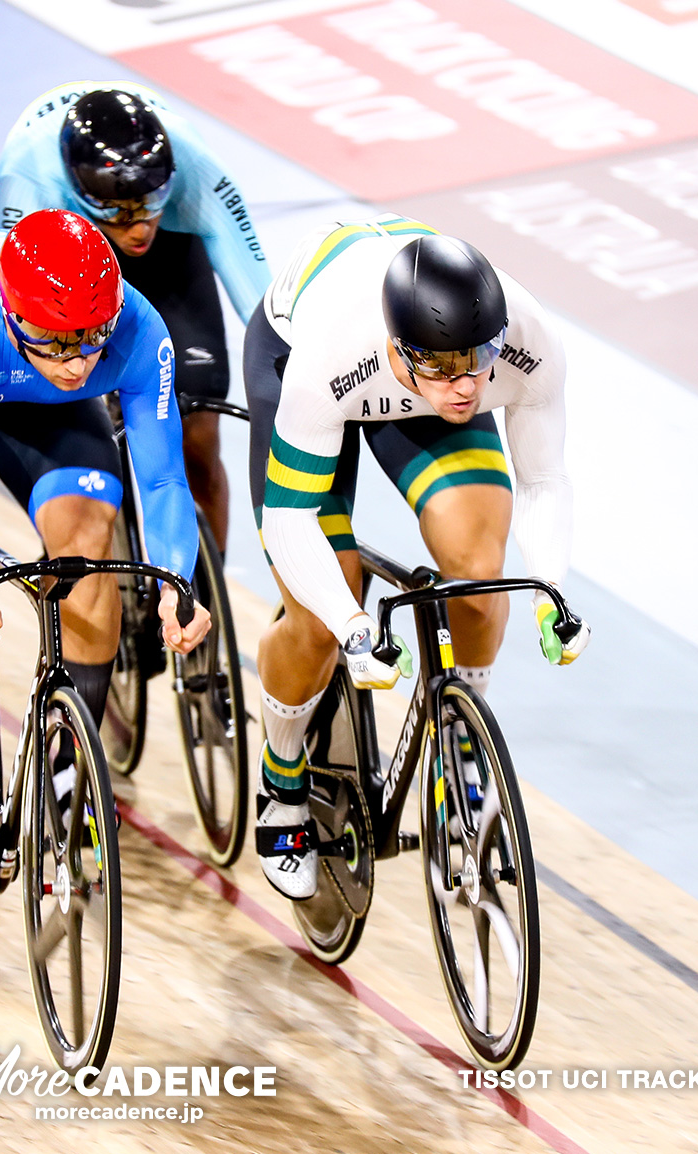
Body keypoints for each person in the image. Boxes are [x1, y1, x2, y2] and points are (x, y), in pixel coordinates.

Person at [0, 209, 213, 911]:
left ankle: (65, 761)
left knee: (89, 548)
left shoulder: (137, 332)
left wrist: (179, 579)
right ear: (18, 314)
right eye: (61, 343)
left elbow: (163, 481)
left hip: (37, 397)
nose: (83, 361)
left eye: (94, 340)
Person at [247, 218, 589, 901]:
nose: (465, 385)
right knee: (316, 614)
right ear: (401, 348)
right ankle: (282, 777)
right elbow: (290, 521)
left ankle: (461, 743)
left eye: (477, 359)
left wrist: (552, 588)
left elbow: (544, 481)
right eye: (441, 365)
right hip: (300, 357)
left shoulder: (525, 341)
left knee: (478, 565)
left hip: (403, 381)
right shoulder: (331, 353)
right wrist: (350, 625)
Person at [0, 82, 269, 553]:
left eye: (150, 204)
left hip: (173, 256)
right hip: (66, 259)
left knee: (198, 433)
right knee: (75, 411)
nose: (141, 226)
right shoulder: (29, 176)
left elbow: (264, 302)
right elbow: (11, 304)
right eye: (120, 212)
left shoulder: (194, 162)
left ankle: (208, 603)